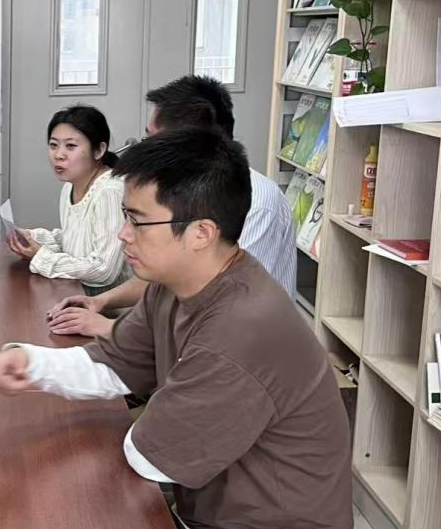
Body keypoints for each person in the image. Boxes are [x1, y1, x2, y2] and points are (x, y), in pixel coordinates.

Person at [0, 129, 353, 529]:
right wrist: (31, 363)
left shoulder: (240, 328)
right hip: (214, 523)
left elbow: (148, 459)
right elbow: (118, 364)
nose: (123, 235)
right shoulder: (179, 285)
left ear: (201, 232)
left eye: (137, 220)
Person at [49, 75, 296, 338]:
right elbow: (164, 278)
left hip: (240, 344)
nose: (145, 149)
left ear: (190, 144)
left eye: (153, 140)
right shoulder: (183, 192)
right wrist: (100, 301)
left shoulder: (257, 203)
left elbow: (225, 309)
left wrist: (108, 328)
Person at [5, 106, 131, 289]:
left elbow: (103, 269)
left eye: (71, 146)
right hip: (75, 290)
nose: (58, 155)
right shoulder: (69, 186)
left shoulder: (110, 191)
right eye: (53, 145)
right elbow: (76, 241)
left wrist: (41, 257)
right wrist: (33, 237)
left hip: (108, 301)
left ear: (99, 150)